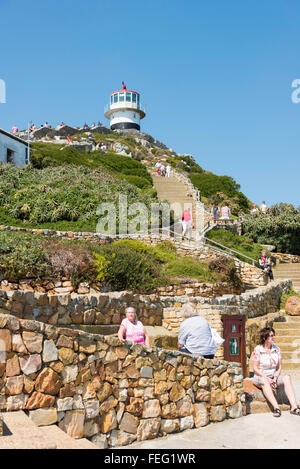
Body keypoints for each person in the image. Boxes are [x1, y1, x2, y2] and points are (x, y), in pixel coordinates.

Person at [252, 326, 300, 417]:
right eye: (271, 336)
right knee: (264, 380)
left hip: (273, 377)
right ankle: (276, 407)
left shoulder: (277, 349)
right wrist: (267, 378)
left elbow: (279, 367)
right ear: (264, 338)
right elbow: (255, 368)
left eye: (273, 335)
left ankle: (294, 407)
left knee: (286, 377)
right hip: (260, 377)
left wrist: (275, 378)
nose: (273, 337)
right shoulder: (258, 349)